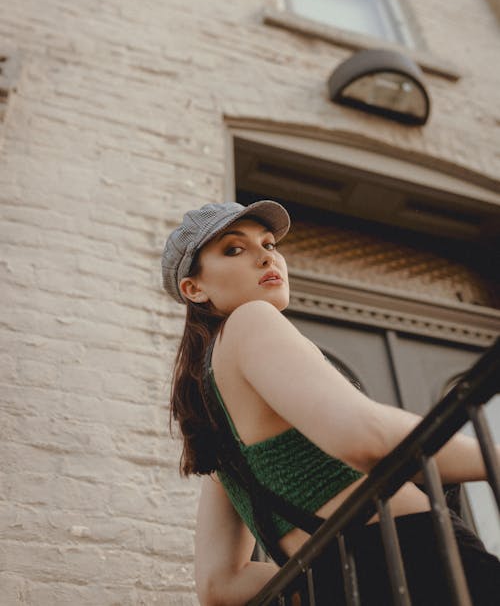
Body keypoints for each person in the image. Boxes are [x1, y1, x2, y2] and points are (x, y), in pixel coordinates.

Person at [161, 200, 500, 606]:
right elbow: (366, 437)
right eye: (235, 249)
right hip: (420, 560)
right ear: (193, 288)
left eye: (269, 244)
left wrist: (334, 571)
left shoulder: (212, 414)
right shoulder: (252, 320)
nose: (265, 256)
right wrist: (494, 456)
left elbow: (220, 585)